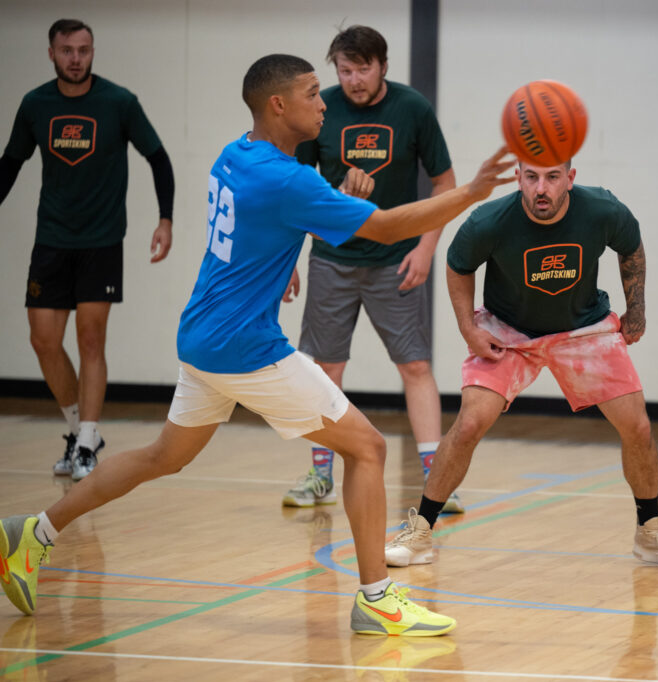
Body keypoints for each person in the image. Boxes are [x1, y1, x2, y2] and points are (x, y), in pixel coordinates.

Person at [0, 53, 515, 634]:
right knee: (368, 449)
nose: (324, 105)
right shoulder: (289, 180)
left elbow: (278, 214)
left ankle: (33, 532)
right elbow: (385, 227)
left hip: (203, 336)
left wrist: (331, 200)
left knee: (161, 457)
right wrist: (470, 191)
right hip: (245, 348)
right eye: (312, 93)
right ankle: (376, 599)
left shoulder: (235, 154)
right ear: (278, 104)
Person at [384, 159, 658, 570]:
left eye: (552, 177)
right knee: (470, 423)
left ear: (571, 178)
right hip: (509, 331)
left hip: (583, 329)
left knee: (637, 426)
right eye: (531, 177)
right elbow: (458, 266)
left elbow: (631, 245)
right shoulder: (489, 221)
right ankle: (420, 533)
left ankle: (650, 533)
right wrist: (468, 328)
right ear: (518, 178)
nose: (541, 188)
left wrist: (636, 308)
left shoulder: (602, 209)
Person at [280, 25, 463, 514]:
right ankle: (321, 475)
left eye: (363, 69)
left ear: (383, 66)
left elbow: (445, 182)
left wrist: (426, 247)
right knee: (324, 370)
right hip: (331, 260)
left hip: (395, 261)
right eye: (345, 70)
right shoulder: (320, 108)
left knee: (416, 366)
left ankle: (436, 479)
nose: (355, 80)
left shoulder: (412, 108)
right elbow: (294, 187)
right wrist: (288, 259)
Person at [0, 19, 176, 482]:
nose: (75, 59)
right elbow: (10, 163)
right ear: (51, 53)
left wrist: (165, 219)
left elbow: (158, 158)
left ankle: (86, 442)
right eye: (67, 50)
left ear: (93, 51)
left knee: (91, 339)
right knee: (43, 341)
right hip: (51, 239)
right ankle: (80, 430)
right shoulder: (35, 104)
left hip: (101, 240)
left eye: (83, 50)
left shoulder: (118, 102)